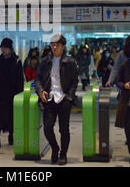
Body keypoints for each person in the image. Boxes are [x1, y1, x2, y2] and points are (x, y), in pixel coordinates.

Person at [35, 34, 79, 165]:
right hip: (49, 98)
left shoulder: (70, 62)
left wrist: (70, 96)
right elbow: (37, 79)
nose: (54, 47)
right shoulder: (45, 61)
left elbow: (74, 81)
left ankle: (63, 154)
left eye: (57, 45)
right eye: (52, 45)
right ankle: (55, 147)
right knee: (47, 128)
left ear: (63, 46)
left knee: (63, 129)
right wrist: (40, 90)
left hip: (64, 99)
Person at [0, 38, 24, 148]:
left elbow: (20, 80)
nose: (2, 50)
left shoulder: (16, 62)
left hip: (12, 94)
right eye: (1, 48)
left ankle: (11, 135)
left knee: (12, 116)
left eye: (4, 48)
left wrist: (19, 95)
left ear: (10, 49)